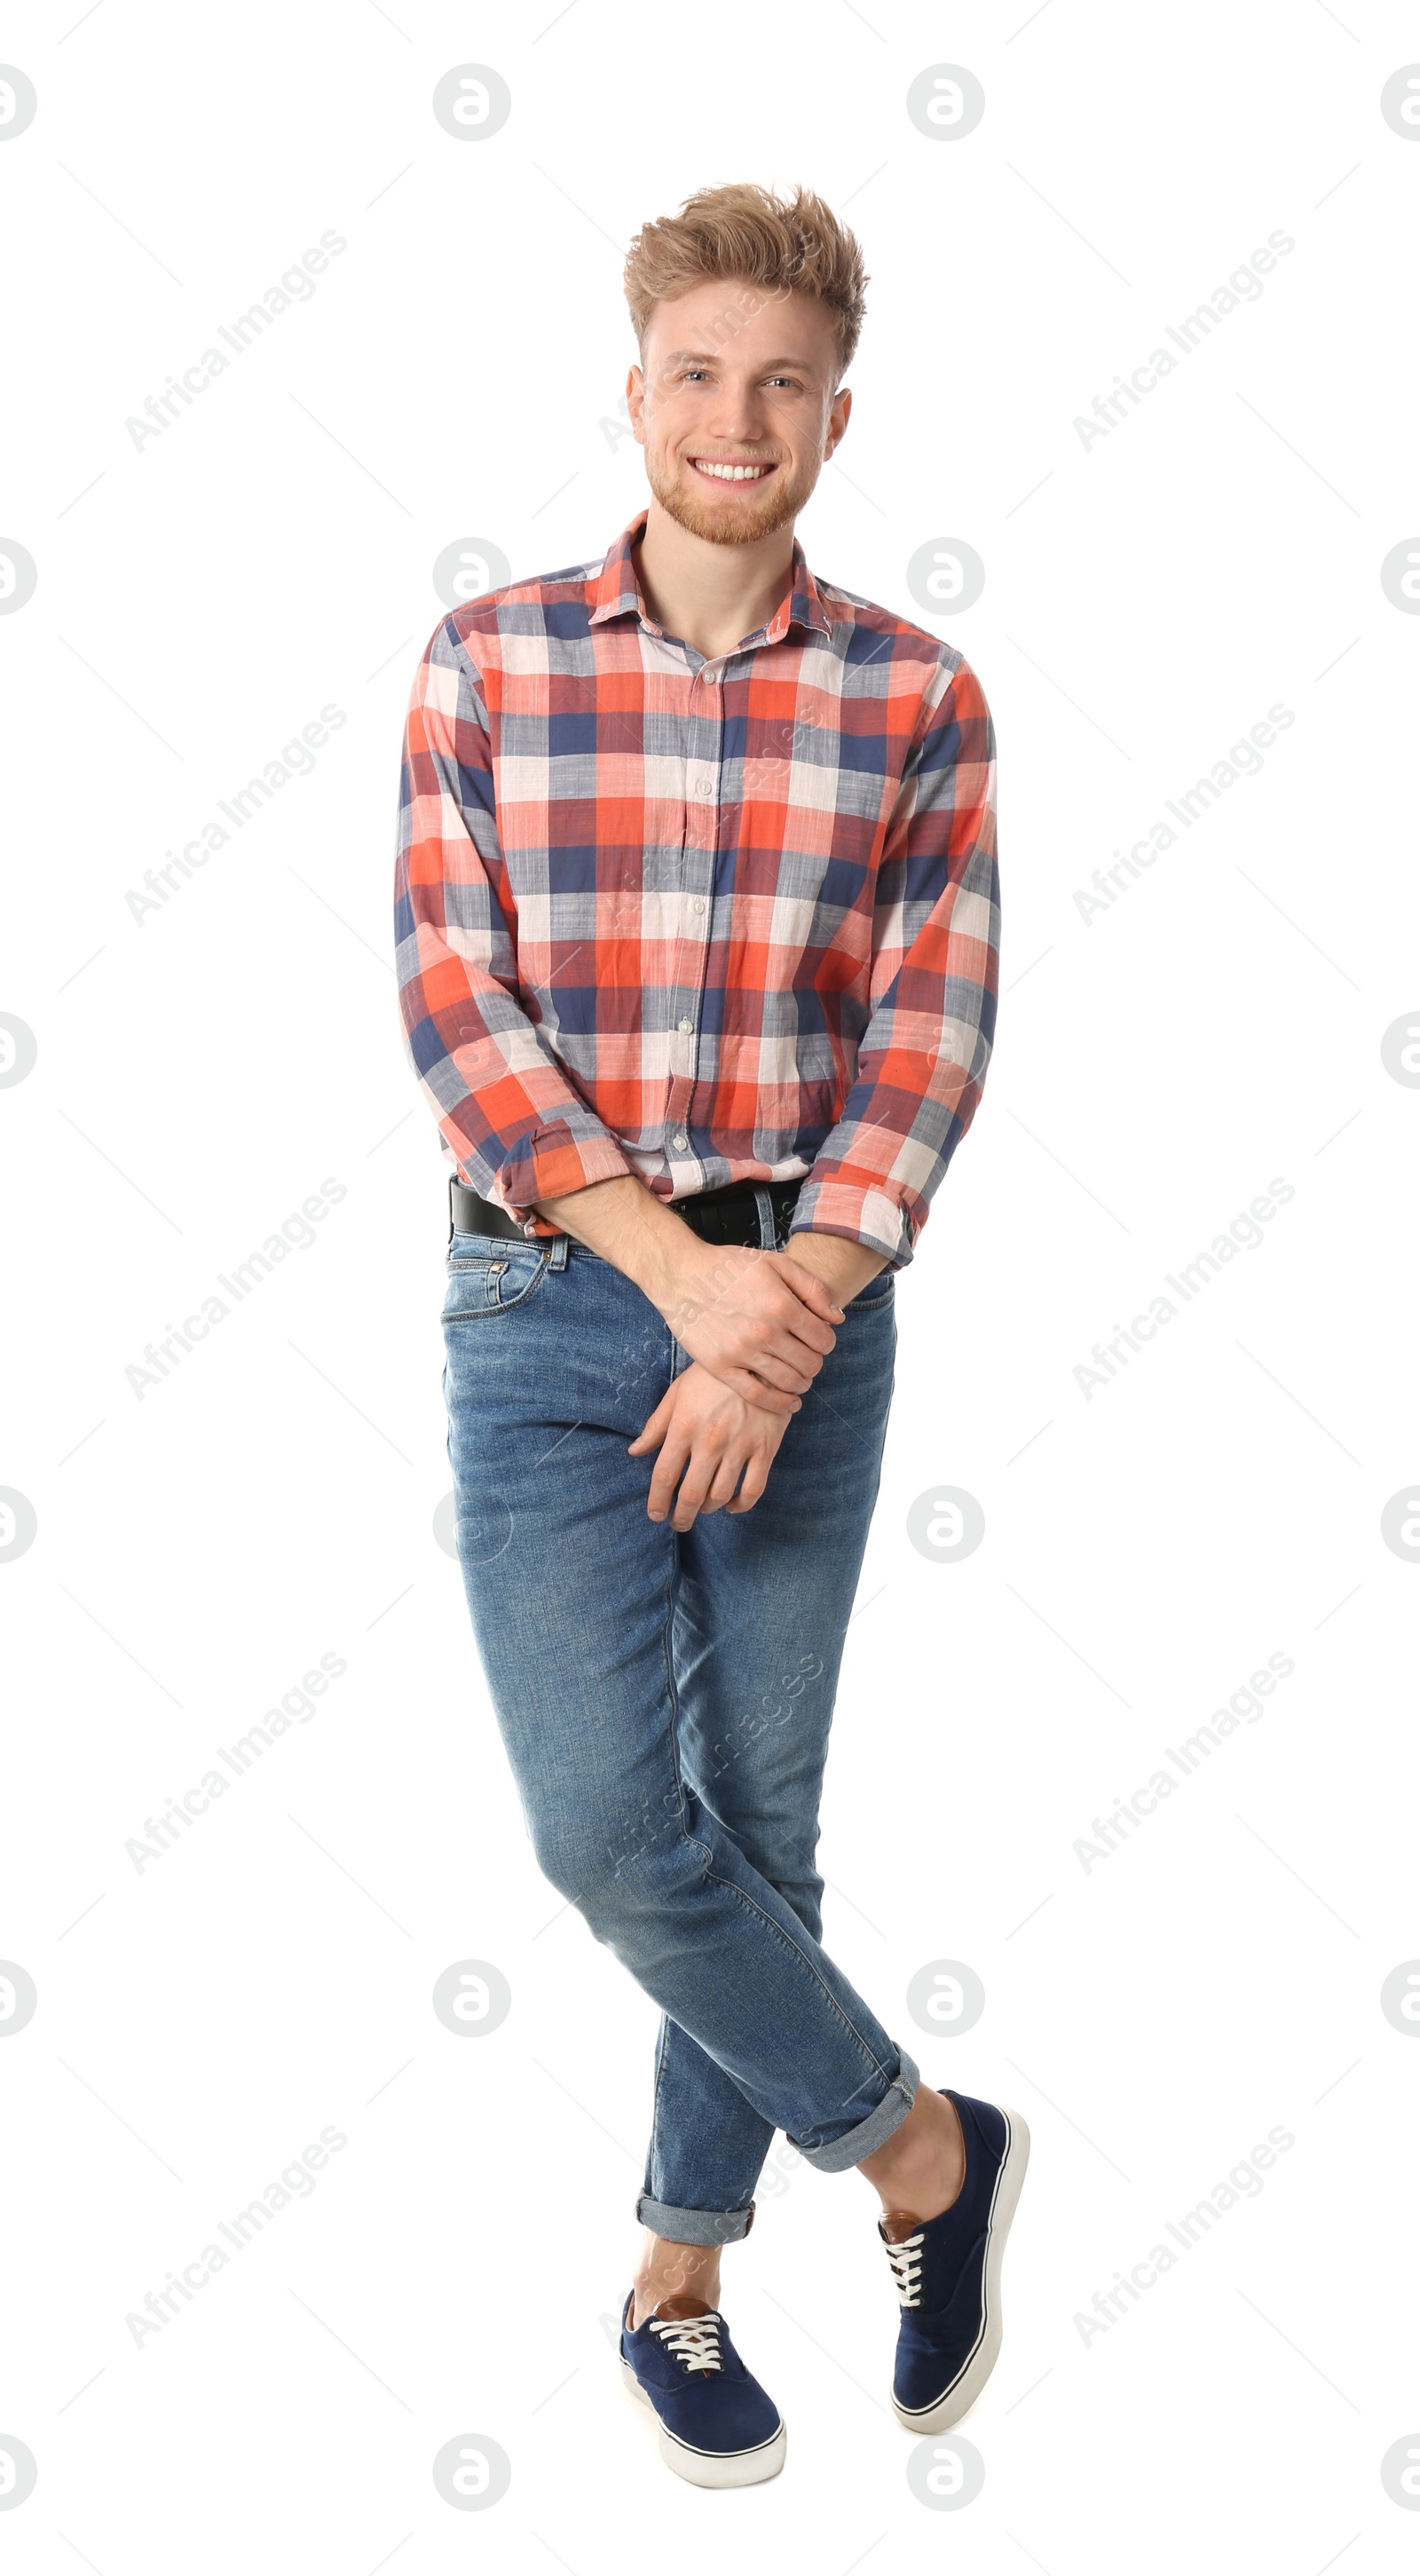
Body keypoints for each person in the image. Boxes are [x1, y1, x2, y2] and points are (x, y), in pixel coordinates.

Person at [393, 179, 1025, 2490]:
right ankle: (926, 2154)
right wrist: (691, 1302)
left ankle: (676, 2274)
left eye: (781, 384)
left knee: (755, 1819)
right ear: (632, 391)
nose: (733, 419)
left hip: (814, 1307)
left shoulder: (919, 697)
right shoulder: (486, 665)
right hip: (551, 1305)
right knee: (609, 1829)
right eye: (695, 374)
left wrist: (787, 1323)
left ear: (836, 419)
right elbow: (459, 1020)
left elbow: (930, 1041)